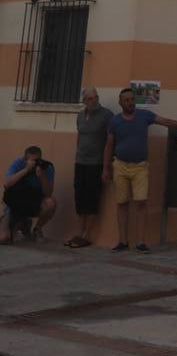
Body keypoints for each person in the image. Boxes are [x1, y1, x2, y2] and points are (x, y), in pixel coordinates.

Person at [103, 86, 177, 252]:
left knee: (141, 202)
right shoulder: (115, 121)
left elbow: (166, 121)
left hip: (140, 167)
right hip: (120, 166)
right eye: (126, 100)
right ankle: (122, 241)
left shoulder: (144, 116)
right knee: (121, 203)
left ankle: (141, 242)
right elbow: (109, 145)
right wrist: (106, 168)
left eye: (132, 99)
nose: (130, 103)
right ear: (121, 103)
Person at [65, 87, 113, 248]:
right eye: (90, 99)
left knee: (92, 197)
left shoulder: (106, 115)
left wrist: (107, 165)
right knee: (80, 196)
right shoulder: (80, 115)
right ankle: (79, 231)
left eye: (95, 97)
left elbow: (110, 140)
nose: (94, 101)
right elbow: (80, 135)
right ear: (84, 101)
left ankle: (87, 234)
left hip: (96, 163)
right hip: (80, 162)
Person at [0, 145, 57, 242]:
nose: (34, 163)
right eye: (32, 161)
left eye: (37, 160)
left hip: (34, 200)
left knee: (50, 203)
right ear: (25, 159)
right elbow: (6, 184)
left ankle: (37, 229)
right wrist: (26, 170)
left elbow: (48, 193)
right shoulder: (18, 163)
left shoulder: (47, 167)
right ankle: (20, 224)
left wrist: (42, 176)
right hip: (15, 203)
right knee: (4, 238)